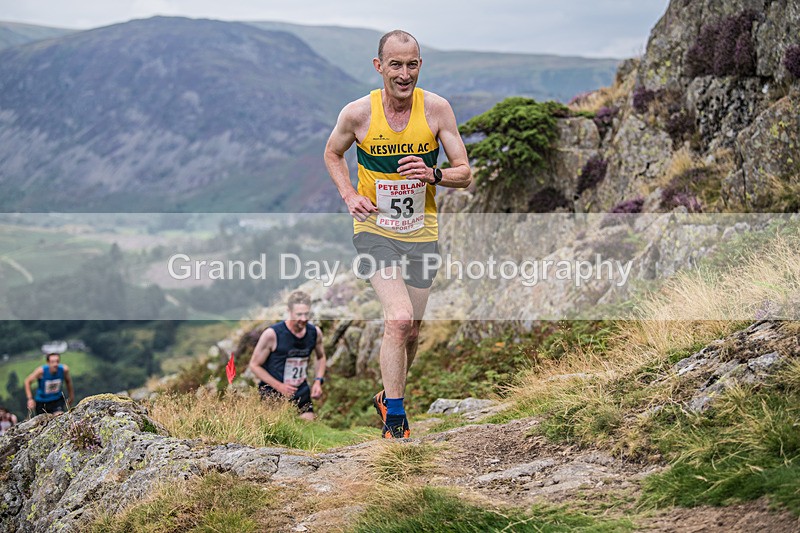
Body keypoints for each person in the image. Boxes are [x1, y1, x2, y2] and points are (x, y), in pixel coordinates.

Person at [324, 30, 472, 438]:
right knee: (399, 318)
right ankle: (396, 423)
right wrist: (349, 194)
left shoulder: (437, 110)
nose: (404, 74)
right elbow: (332, 153)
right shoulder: (358, 114)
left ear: (419, 65)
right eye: (396, 64)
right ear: (379, 67)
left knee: (413, 331)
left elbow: (464, 172)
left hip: (421, 231)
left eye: (412, 64)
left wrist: (434, 173)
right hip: (374, 229)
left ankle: (387, 395)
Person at [248, 291, 327, 421]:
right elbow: (254, 365)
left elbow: (321, 357)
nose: (303, 318)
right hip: (273, 394)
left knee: (309, 431)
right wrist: (279, 386)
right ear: (289, 311)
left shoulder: (314, 333)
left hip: (301, 391)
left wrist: (318, 381)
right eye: (299, 314)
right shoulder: (272, 334)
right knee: (277, 435)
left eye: (306, 314)